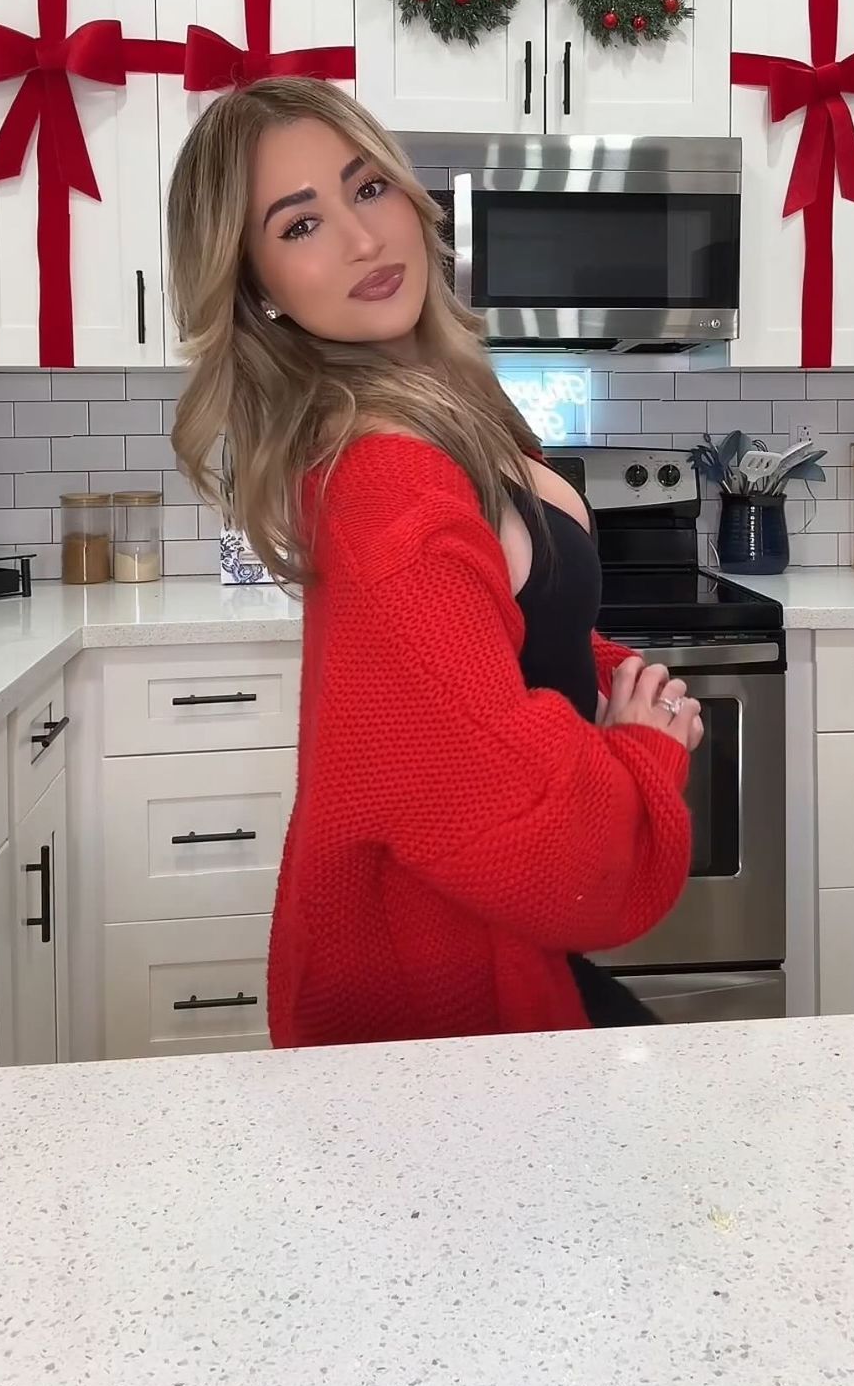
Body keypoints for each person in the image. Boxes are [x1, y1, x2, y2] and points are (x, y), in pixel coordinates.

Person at [167, 78, 702, 1047]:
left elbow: (500, 635)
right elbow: (542, 844)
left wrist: (615, 675)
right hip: (437, 987)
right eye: (300, 224)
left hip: (486, 948)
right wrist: (643, 754)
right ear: (255, 287)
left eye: (368, 187)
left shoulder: (447, 402)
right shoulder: (386, 477)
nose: (363, 239)